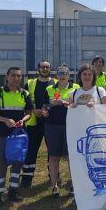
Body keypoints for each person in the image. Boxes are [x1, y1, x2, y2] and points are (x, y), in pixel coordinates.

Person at [0, 67, 33, 206]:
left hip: (19, 135)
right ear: (7, 76)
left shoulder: (24, 93)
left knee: (17, 163)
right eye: (13, 75)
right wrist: (5, 120)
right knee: (1, 164)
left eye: (19, 76)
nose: (16, 78)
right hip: (2, 134)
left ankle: (13, 191)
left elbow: (29, 112)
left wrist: (23, 120)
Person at [43, 66, 80, 197]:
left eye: (65, 73)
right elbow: (44, 107)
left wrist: (64, 103)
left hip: (70, 125)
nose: (62, 75)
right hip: (52, 125)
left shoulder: (76, 88)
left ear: (69, 75)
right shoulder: (49, 88)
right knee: (53, 156)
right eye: (60, 73)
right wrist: (47, 109)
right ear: (56, 75)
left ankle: (73, 184)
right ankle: (54, 186)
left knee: (71, 157)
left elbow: (79, 106)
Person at [20, 60, 55, 188]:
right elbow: (23, 101)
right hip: (33, 123)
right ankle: (27, 179)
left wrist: (47, 111)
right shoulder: (29, 83)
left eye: (47, 67)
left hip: (51, 122)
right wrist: (33, 110)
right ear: (38, 69)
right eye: (42, 67)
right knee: (31, 151)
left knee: (52, 151)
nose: (45, 69)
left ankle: (53, 177)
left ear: (51, 69)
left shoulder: (56, 83)